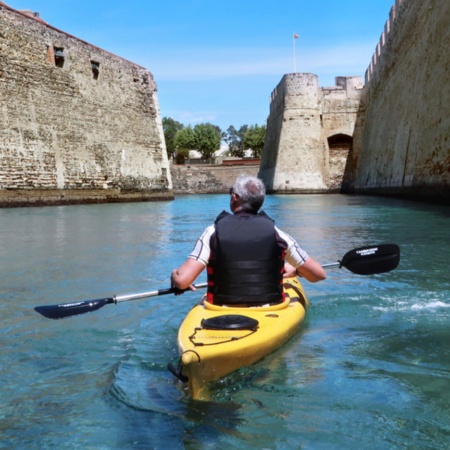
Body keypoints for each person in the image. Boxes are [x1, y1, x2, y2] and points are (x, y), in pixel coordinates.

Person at [170, 175, 326, 305]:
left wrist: (174, 275)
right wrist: (297, 271)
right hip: (270, 309)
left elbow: (183, 281)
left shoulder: (212, 232)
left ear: (234, 197)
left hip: (220, 310)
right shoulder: (277, 233)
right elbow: (318, 274)